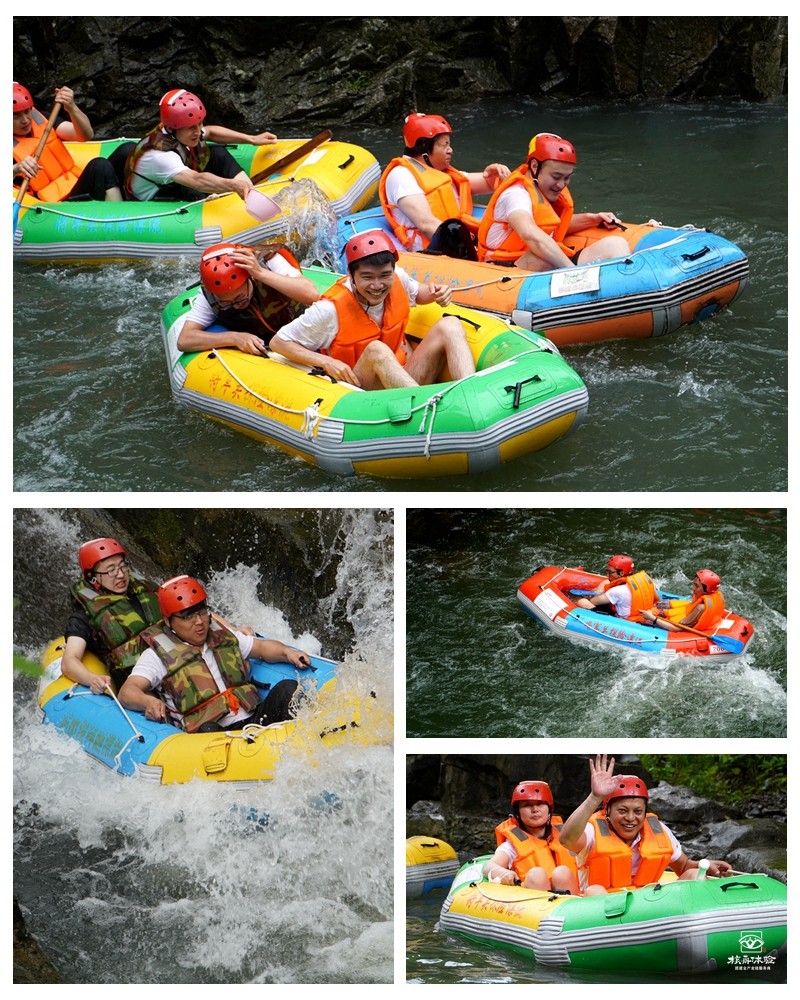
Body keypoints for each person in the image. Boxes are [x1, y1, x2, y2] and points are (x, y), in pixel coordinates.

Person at [270, 230, 476, 390]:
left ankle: (470, 393)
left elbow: (418, 294)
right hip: (361, 392)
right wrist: (326, 361)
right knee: (376, 349)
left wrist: (436, 293)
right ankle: (424, 411)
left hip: (403, 375)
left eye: (385, 275)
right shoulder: (328, 310)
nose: (377, 286)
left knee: (450, 324)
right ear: (352, 275)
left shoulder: (397, 277)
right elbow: (279, 342)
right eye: (367, 277)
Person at [119, 575, 312, 733]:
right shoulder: (157, 655)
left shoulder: (222, 635)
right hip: (214, 736)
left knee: (288, 688)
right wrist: (148, 701)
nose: (199, 622)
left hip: (253, 720)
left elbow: (261, 648)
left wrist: (287, 652)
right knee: (208, 728)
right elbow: (127, 692)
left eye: (202, 612)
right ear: (169, 622)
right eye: (188, 617)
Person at [559, 755, 732, 895]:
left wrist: (705, 865)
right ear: (607, 811)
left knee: (694, 875)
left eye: (638, 811)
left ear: (644, 813)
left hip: (647, 905)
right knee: (595, 891)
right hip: (601, 905)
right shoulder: (592, 831)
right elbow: (566, 840)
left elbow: (683, 867)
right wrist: (595, 797)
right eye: (622, 811)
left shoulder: (658, 830)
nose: (630, 818)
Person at [477, 132, 629, 271]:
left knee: (616, 244)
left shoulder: (543, 190)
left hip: (544, 262)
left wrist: (592, 219)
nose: (561, 184)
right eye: (556, 177)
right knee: (543, 258)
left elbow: (552, 226)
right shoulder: (515, 195)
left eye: (567, 178)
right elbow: (529, 233)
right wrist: (573, 270)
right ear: (535, 166)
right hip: (504, 268)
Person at [379, 112, 510, 258]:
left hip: (457, 243)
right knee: (453, 228)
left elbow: (489, 183)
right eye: (444, 145)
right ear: (423, 147)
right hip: (431, 252)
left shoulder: (441, 172)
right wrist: (471, 249)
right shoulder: (401, 175)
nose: (450, 150)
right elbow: (426, 224)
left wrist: (498, 174)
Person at [124, 88, 277, 202]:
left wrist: (252, 139)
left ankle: (251, 194)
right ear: (173, 128)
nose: (198, 131)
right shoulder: (160, 156)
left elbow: (210, 132)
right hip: (155, 197)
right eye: (191, 127)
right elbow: (196, 180)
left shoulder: (179, 130)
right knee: (189, 188)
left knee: (218, 154)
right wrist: (233, 185)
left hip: (175, 181)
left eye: (199, 124)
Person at [177, 242, 319, 356]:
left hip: (302, 333)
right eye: (226, 303)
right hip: (263, 345)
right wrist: (234, 338)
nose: (236, 306)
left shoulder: (270, 261)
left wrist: (260, 273)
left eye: (240, 298)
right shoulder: (209, 293)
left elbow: (312, 295)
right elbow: (184, 340)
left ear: (250, 278)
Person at [61, 538, 162, 694]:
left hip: (172, 662)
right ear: (92, 577)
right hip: (137, 685)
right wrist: (93, 679)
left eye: (122, 566)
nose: (120, 575)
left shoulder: (145, 592)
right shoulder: (84, 616)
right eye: (111, 570)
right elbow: (69, 661)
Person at [12, 82, 122, 202]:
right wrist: (16, 169)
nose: (25, 120)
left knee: (125, 150)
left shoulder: (42, 119)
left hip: (75, 184)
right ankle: (119, 211)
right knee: (100, 166)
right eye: (15, 115)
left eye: (27, 111)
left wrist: (72, 108)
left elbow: (85, 135)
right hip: (53, 205)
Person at [483, 780, 579, 893]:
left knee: (562, 873)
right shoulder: (512, 845)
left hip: (571, 896)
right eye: (527, 805)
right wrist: (505, 873)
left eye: (540, 804)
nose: (535, 810)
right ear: (517, 813)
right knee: (536, 875)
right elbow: (488, 867)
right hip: (533, 897)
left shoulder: (566, 836)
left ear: (549, 809)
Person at [640, 569, 726, 632]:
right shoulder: (715, 595)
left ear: (706, 590)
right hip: (688, 614)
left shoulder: (700, 608)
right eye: (693, 584)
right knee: (659, 607)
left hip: (680, 626)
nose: (693, 588)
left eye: (697, 586)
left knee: (645, 620)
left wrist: (652, 618)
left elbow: (677, 628)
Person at [574, 566, 656, 623]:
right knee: (606, 582)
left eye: (610, 572)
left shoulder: (618, 591)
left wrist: (586, 597)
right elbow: (657, 600)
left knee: (583, 602)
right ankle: (596, 592)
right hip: (641, 615)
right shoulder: (644, 583)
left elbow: (593, 601)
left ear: (621, 573)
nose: (607, 575)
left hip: (622, 621)